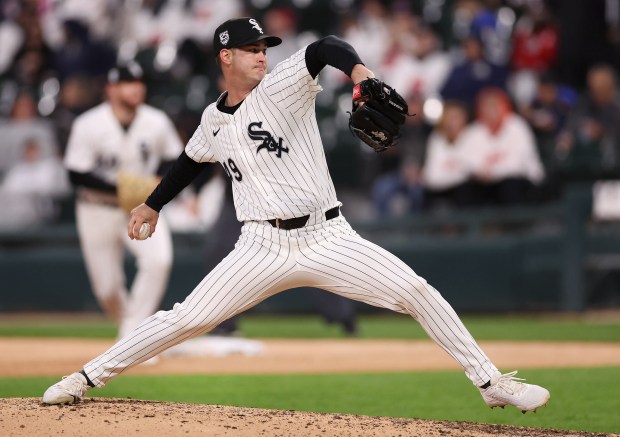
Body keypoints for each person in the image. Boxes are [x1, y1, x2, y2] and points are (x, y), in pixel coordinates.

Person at [43, 17, 550, 413]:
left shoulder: (283, 86)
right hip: (260, 247)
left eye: (265, 48)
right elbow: (189, 162)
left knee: (416, 290)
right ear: (226, 57)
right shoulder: (211, 119)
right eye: (252, 50)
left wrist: (361, 73)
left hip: (328, 236)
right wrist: (153, 204)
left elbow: (326, 46)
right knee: (186, 318)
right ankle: (85, 377)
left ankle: (491, 382)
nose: (263, 56)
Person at [62, 61, 183, 339]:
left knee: (159, 261)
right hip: (97, 209)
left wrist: (155, 181)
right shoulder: (89, 123)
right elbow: (76, 174)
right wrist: (122, 187)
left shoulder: (156, 120)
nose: (135, 88)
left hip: (142, 207)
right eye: (127, 83)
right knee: (106, 288)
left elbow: (173, 158)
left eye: (139, 82)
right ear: (111, 89)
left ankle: (133, 338)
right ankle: (132, 330)